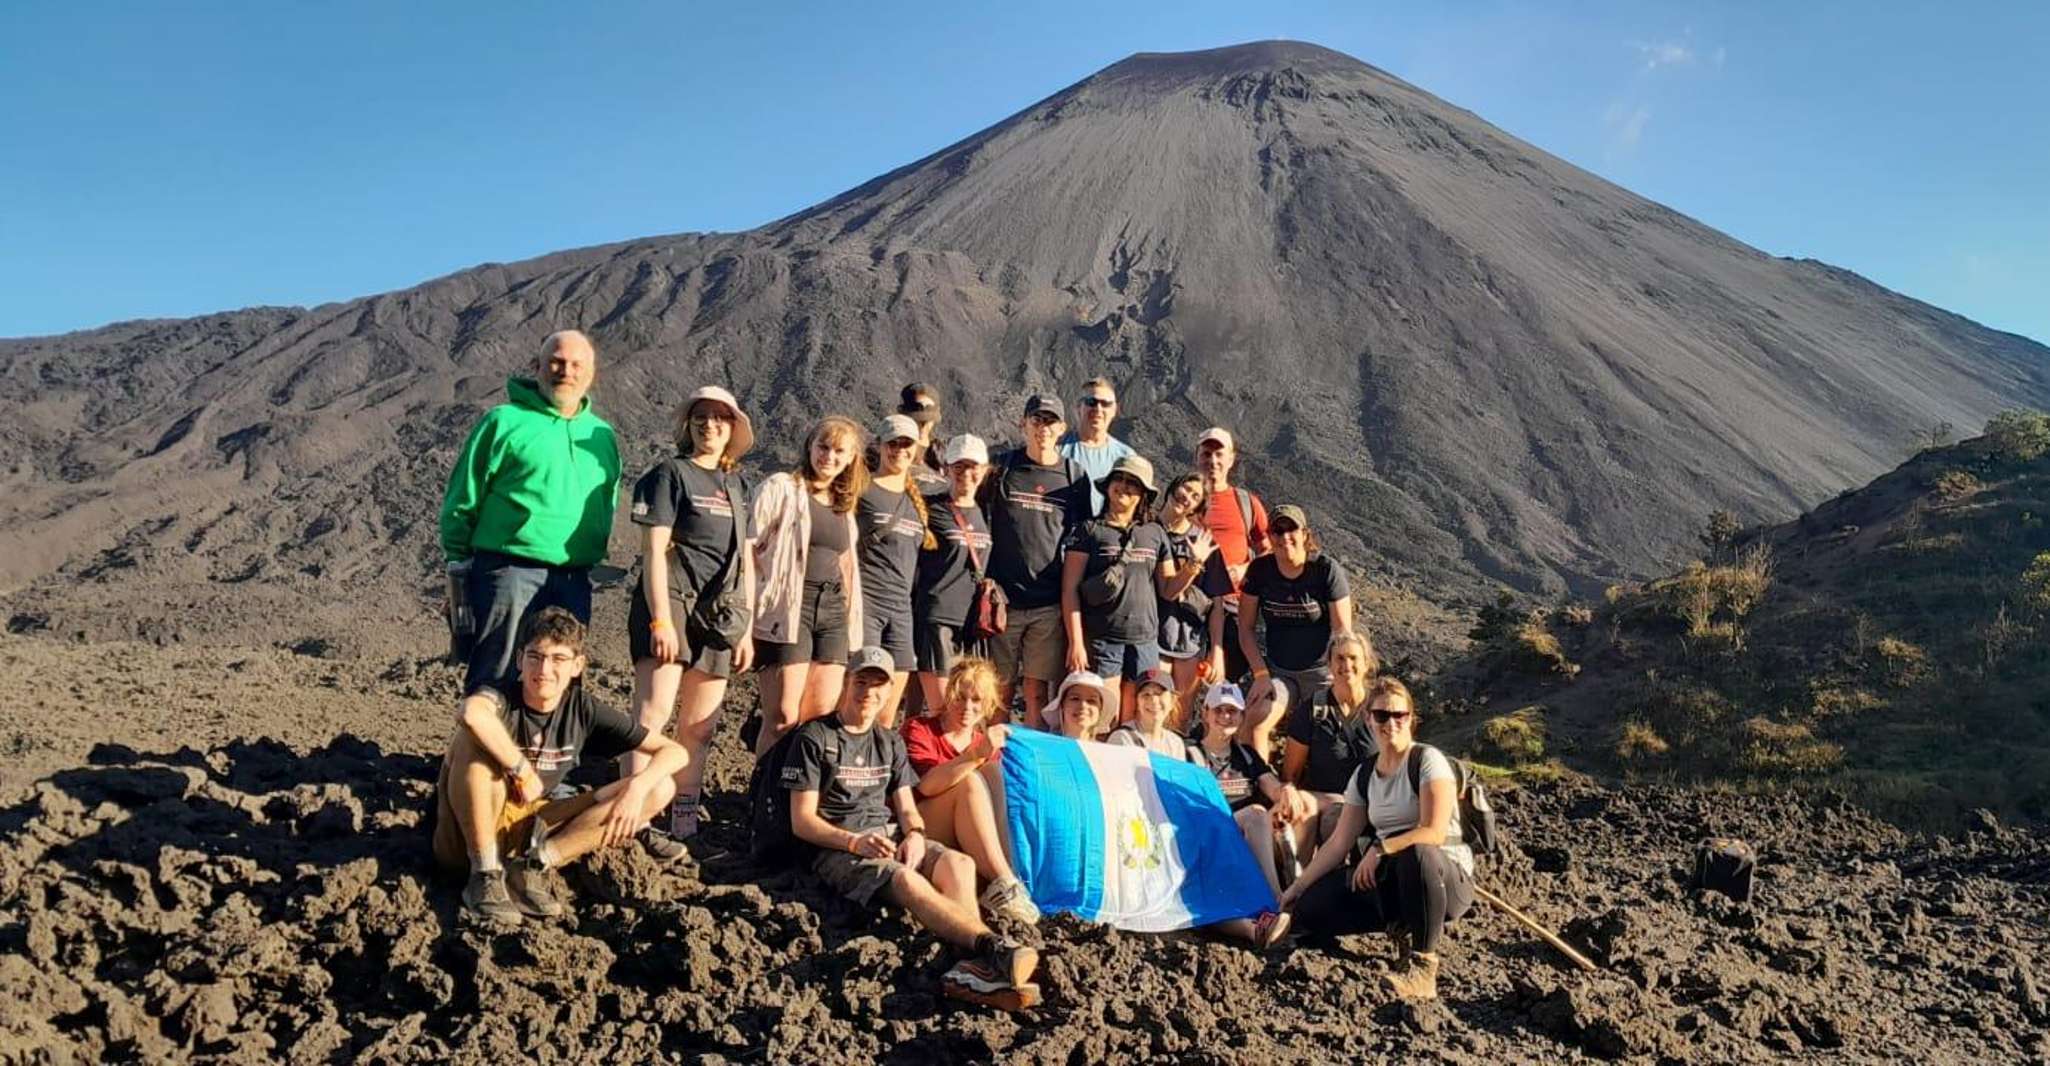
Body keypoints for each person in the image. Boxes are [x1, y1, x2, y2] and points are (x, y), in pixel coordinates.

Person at [784, 647, 1042, 1010]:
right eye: (862, 682)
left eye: (878, 685)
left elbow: (906, 806)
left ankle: (968, 969)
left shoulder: (888, 742)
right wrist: (854, 842)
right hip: (838, 848)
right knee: (905, 881)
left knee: (960, 865)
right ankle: (989, 947)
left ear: (890, 693)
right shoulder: (815, 738)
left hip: (887, 834)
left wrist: (916, 834)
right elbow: (803, 821)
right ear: (847, 683)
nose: (869, 693)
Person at [432, 608, 687, 925]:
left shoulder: (582, 708)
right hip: (467, 835)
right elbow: (471, 713)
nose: (544, 669)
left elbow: (675, 753)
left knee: (659, 786)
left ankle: (533, 866)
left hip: (532, 824)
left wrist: (637, 786)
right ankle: (484, 874)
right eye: (535, 657)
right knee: (472, 742)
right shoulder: (501, 698)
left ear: (577, 666)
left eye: (558, 659)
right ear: (519, 660)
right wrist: (520, 768)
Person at [440, 330, 622, 690]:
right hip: (508, 572)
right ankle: (485, 747)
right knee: (498, 673)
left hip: (574, 577)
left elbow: (608, 500)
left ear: (591, 373)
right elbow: (465, 494)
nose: (565, 371)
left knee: (560, 681)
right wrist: (458, 565)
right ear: (536, 366)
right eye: (556, 361)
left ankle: (546, 748)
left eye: (575, 364)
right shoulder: (503, 422)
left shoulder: (602, 436)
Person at [624, 387, 758, 856]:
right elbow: (653, 551)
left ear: (734, 429)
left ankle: (683, 818)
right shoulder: (669, 475)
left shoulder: (739, 487)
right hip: (672, 603)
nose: (710, 425)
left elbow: (747, 563)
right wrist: (661, 619)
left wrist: (747, 625)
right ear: (688, 425)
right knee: (652, 717)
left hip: (718, 615)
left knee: (699, 727)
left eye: (720, 418)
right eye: (701, 417)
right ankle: (634, 815)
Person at [1279, 678, 1474, 1002]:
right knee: (1309, 910)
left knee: (1418, 854)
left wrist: (1380, 848)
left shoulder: (1427, 761)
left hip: (1443, 877)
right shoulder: (1365, 774)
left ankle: (1423, 966)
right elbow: (1339, 842)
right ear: (1368, 718)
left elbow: (1433, 832)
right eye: (1382, 716)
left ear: (1411, 718)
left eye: (1400, 715)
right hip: (1390, 876)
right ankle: (1399, 924)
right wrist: (1297, 888)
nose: (1391, 723)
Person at [750, 417, 866, 757]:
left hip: (832, 611)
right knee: (782, 716)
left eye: (838, 451)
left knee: (819, 716)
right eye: (823, 447)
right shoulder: (781, 488)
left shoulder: (845, 506)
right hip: (789, 608)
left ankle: (797, 797)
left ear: (850, 459)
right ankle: (763, 796)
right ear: (810, 447)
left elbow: (847, 567)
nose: (828, 456)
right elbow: (749, 545)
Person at [901, 657, 1040, 925]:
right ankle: (1003, 880)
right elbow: (927, 786)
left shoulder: (984, 742)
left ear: (987, 705)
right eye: (960, 697)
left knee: (993, 774)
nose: (967, 707)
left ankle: (1006, 878)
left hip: (967, 827)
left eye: (976, 700)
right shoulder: (920, 729)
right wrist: (975, 756)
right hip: (921, 824)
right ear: (949, 694)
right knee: (970, 780)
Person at [982, 395, 1093, 721]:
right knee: (998, 689)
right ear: (1024, 424)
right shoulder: (1002, 467)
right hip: (1003, 600)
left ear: (1062, 428)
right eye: (1037, 420)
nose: (1043, 428)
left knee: (1037, 692)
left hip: (1047, 601)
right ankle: (995, 762)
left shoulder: (1074, 476)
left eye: (1050, 421)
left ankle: (1030, 763)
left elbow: (1081, 538)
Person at [1228, 505, 1355, 756]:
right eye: (1277, 530)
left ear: (1305, 534)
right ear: (1270, 536)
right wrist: (1261, 674)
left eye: (1291, 529)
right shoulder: (1260, 571)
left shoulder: (1325, 571)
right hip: (1280, 673)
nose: (1285, 536)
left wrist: (1339, 679)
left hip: (1322, 675)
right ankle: (1259, 786)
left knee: (1330, 744)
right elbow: (1245, 627)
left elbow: (1343, 633)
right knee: (1255, 721)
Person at [1060, 454, 1169, 730]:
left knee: (1137, 721)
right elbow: (1070, 588)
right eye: (1118, 479)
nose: (1124, 486)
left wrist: (1194, 565)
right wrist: (1076, 642)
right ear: (1107, 486)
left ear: (1143, 494)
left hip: (1144, 641)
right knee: (1102, 719)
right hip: (1102, 640)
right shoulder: (1089, 530)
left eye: (1133, 483)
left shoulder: (1154, 533)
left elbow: (1168, 587)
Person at [857, 414, 935, 729]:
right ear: (880, 444)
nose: (900, 450)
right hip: (866, 604)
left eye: (907, 444)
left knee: (887, 712)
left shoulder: (917, 501)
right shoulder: (861, 489)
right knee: (858, 700)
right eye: (893, 443)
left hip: (901, 610)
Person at [1190, 683, 1303, 900]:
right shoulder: (1190, 753)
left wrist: (1287, 790)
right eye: (1218, 710)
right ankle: (1275, 896)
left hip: (1252, 831)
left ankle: (1299, 886)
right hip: (1213, 832)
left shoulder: (1247, 755)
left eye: (1232, 711)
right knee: (1256, 814)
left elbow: (1271, 786)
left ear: (1242, 716)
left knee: (1296, 805)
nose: (1225, 716)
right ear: (1205, 713)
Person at [1278, 633, 1380, 863]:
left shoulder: (1381, 710)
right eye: (1340, 658)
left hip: (1374, 802)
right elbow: (1291, 774)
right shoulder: (1313, 710)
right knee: (1318, 812)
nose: (1347, 665)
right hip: (1323, 801)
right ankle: (1297, 884)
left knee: (1340, 817)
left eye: (1354, 658)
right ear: (1329, 664)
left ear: (1367, 663)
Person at [913, 434, 992, 715]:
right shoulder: (929, 508)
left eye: (973, 467)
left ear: (984, 470)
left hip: (974, 624)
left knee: (969, 712)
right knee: (944, 710)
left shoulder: (987, 511)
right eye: (959, 467)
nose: (966, 474)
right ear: (946, 468)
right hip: (937, 617)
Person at [1193, 427, 1269, 686]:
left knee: (1227, 688)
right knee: (1186, 685)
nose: (1212, 460)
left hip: (1234, 609)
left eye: (1218, 454)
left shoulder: (1246, 503)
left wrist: (1247, 570)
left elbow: (1267, 551)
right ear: (1197, 457)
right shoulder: (1186, 501)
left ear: (1231, 459)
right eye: (1206, 453)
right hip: (1191, 606)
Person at [1153, 473, 1217, 731]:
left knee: (1180, 716)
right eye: (1185, 488)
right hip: (1151, 633)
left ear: (1199, 508)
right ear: (1173, 486)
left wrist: (1217, 651)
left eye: (1195, 496)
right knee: (1152, 707)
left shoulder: (1203, 542)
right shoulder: (1146, 529)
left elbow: (1217, 600)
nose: (1186, 497)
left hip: (1189, 638)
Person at [1056, 377, 1136, 513]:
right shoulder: (1057, 451)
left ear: (1115, 410)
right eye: (1091, 402)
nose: (1098, 409)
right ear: (1078, 407)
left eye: (1105, 404)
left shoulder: (1127, 457)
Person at [1106, 666, 1194, 762]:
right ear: (1137, 703)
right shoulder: (1122, 738)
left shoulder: (1175, 743)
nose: (1153, 700)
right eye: (1146, 694)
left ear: (1172, 701)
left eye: (1159, 693)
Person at [898, 382, 949, 494]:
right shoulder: (889, 451)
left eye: (928, 420)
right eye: (917, 420)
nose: (923, 425)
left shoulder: (941, 457)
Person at [1039, 669, 1109, 740]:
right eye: (1075, 698)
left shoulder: (1105, 750)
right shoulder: (1042, 746)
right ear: (1062, 705)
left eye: (1091, 701)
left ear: (1100, 709)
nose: (1083, 705)